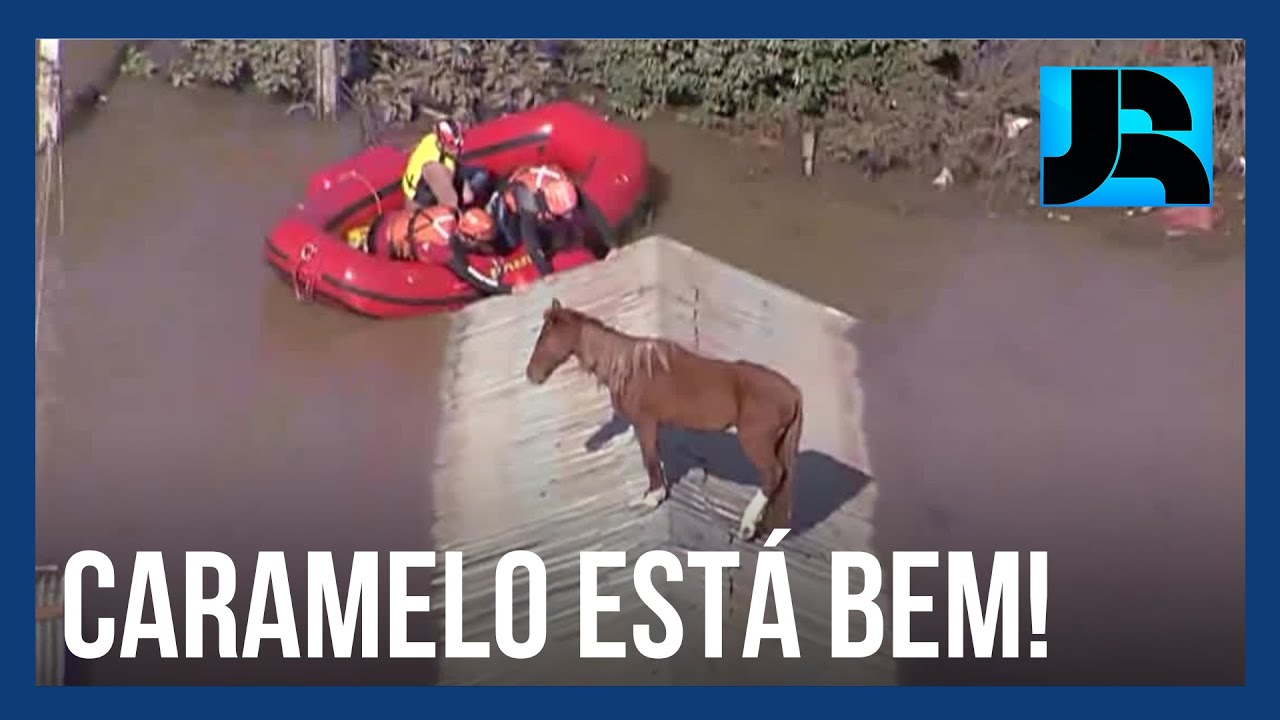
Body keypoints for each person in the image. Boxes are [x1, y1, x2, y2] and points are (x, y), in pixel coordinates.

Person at [401, 118, 493, 211]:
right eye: (452, 145)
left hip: (433, 187)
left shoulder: (433, 140)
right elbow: (450, 206)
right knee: (479, 181)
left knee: (477, 182)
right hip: (426, 208)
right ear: (442, 144)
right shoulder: (436, 169)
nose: (458, 149)